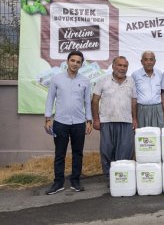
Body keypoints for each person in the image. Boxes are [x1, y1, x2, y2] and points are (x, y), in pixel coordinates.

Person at [44, 51, 92, 195]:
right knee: (60, 154)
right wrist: (47, 118)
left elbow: (87, 103)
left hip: (79, 123)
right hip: (60, 122)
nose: (75, 64)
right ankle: (58, 183)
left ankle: (75, 181)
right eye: (72, 60)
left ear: (81, 64)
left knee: (78, 153)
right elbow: (50, 99)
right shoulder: (56, 79)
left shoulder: (85, 81)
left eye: (78, 62)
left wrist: (89, 121)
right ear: (67, 61)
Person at [92, 56, 137, 179]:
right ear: (113, 66)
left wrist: (134, 119)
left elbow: (133, 101)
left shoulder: (131, 81)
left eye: (125, 66)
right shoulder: (103, 80)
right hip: (107, 120)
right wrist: (96, 120)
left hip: (126, 121)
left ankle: (123, 175)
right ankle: (108, 176)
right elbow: (95, 100)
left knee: (126, 149)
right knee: (107, 149)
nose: (122, 68)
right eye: (120, 65)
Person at [132, 51, 164, 128]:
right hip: (141, 110)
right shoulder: (135, 75)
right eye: (146, 60)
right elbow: (133, 98)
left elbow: (162, 94)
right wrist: (134, 118)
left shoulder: (160, 74)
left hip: (157, 110)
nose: (149, 62)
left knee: (158, 135)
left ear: (155, 61)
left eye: (151, 59)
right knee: (142, 136)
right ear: (142, 62)